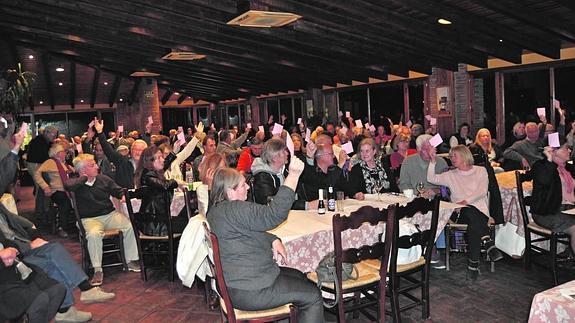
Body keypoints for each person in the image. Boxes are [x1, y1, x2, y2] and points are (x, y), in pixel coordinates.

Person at [1, 129, 115, 322]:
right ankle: (70, 305)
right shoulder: (49, 162)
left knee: (53, 251)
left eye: (64, 152)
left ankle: (75, 300)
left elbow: (12, 218)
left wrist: (33, 231)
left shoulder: (62, 164)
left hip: (19, 243)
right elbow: (31, 176)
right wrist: (45, 186)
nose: (63, 154)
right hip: (15, 249)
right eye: (61, 151)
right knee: (52, 252)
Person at [207, 159, 324, 323]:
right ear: (230, 192)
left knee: (300, 277)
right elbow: (274, 214)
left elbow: (245, 230)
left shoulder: (216, 210)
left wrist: (272, 239)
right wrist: (293, 175)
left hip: (235, 284)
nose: (248, 187)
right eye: (242, 185)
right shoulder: (236, 209)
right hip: (251, 290)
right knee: (313, 296)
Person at [427, 145, 503, 282]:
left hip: (480, 212)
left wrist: (465, 201)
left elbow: (482, 191)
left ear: (464, 155)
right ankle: (486, 242)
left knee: (474, 221)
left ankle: (473, 265)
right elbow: (431, 178)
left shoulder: (481, 171)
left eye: (454, 156)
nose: (451, 159)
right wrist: (432, 161)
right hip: (459, 214)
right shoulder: (450, 175)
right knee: (470, 211)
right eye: (450, 156)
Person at [64, 153, 140, 286]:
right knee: (93, 235)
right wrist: (84, 178)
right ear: (82, 169)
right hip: (89, 219)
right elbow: (69, 187)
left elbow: (117, 190)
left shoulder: (103, 179)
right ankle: (97, 269)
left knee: (129, 226)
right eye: (92, 165)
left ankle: (131, 260)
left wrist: (122, 195)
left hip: (109, 215)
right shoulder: (74, 182)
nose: (96, 167)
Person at [527, 145, 575, 254]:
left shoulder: (569, 168)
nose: (569, 150)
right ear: (554, 151)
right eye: (565, 148)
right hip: (548, 212)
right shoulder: (541, 166)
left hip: (570, 210)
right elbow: (544, 180)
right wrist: (549, 159)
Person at [0, 244, 66, 323]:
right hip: (5, 283)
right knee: (40, 299)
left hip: (17, 271)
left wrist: (12, 250)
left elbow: (12, 243)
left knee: (58, 290)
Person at [134, 146, 187, 234]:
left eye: (162, 157)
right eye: (159, 158)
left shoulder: (154, 173)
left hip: (158, 221)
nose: (162, 160)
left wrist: (173, 153)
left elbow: (164, 165)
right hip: (155, 225)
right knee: (191, 225)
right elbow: (164, 185)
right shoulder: (147, 176)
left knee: (190, 219)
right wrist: (176, 182)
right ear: (150, 161)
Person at [33, 144, 75, 238]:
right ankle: (61, 227)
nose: (65, 153)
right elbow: (37, 173)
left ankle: (78, 224)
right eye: (63, 152)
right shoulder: (50, 162)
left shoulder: (64, 163)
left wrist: (71, 169)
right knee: (65, 202)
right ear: (57, 154)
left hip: (67, 190)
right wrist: (45, 186)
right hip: (57, 191)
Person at [94, 118, 147, 188]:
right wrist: (100, 132)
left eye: (140, 150)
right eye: (135, 149)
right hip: (125, 196)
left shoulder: (148, 166)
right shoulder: (123, 162)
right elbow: (109, 152)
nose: (138, 152)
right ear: (131, 151)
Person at [26, 125, 58, 220]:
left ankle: (41, 211)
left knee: (41, 188)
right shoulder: (39, 141)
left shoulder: (42, 140)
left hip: (36, 164)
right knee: (41, 187)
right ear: (47, 133)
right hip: (35, 165)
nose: (54, 137)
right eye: (53, 135)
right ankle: (40, 213)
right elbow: (44, 157)